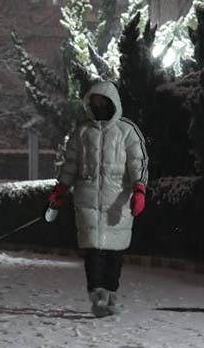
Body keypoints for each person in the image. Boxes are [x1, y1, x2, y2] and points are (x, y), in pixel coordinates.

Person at [47, 80, 148, 317]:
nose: (99, 105)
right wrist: (61, 189)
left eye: (103, 101)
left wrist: (139, 189)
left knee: (114, 251)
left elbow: (137, 163)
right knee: (93, 250)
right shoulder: (82, 132)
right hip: (87, 200)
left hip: (117, 201)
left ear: (113, 103)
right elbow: (71, 164)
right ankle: (97, 294)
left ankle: (111, 294)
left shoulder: (127, 132)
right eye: (95, 101)